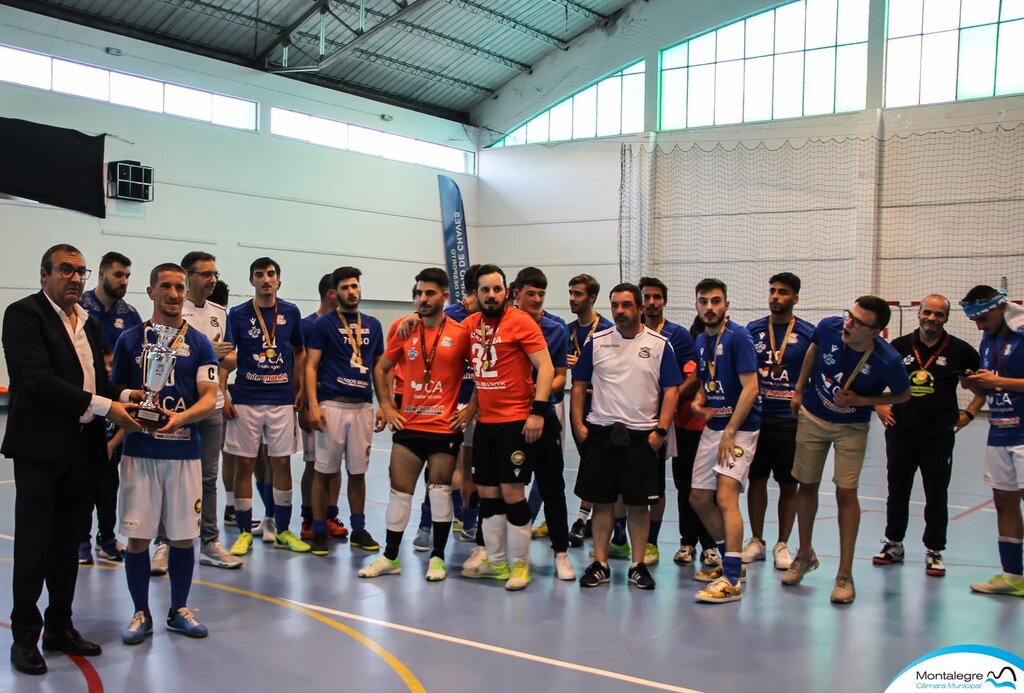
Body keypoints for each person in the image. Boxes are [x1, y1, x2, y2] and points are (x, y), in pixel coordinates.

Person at [3, 244, 140, 675]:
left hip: (81, 448)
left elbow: (96, 378)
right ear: (44, 274)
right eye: (66, 270)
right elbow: (39, 380)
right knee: (33, 545)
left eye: (81, 271)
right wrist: (106, 406)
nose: (76, 278)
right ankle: (25, 637)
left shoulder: (88, 322)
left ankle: (60, 626)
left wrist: (124, 396)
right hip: (40, 449)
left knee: (67, 544)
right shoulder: (23, 315)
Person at [112, 262, 219, 643]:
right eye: (166, 287)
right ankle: (141, 612)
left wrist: (180, 418)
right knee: (138, 539)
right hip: (139, 451)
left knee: (183, 537)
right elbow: (116, 392)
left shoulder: (201, 342)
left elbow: (210, 398)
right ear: (151, 291)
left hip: (184, 454)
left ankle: (178, 610)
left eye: (179, 288)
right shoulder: (131, 340)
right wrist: (133, 400)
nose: (174, 294)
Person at [783, 296, 911, 604]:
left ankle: (844, 574)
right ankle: (804, 554)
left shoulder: (887, 360)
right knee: (806, 485)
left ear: (876, 331)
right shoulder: (829, 328)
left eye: (857, 322)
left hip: (851, 427)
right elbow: (814, 348)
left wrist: (864, 402)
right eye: (848, 315)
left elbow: (903, 395)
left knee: (845, 493)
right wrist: (799, 390)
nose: (848, 323)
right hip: (813, 417)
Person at [359, 267, 470, 580]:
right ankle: (391, 557)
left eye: (430, 293)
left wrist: (469, 409)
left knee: (439, 493)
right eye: (418, 293)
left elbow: (482, 371)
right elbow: (380, 368)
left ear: (444, 296)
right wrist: (386, 405)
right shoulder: (404, 329)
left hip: (444, 429)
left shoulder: (460, 333)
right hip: (409, 426)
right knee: (399, 492)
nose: (423, 298)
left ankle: (437, 557)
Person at [573, 283, 681, 590]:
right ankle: (600, 563)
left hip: (642, 437)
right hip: (602, 433)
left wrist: (660, 429)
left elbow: (671, 389)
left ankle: (638, 565)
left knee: (638, 505)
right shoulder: (598, 342)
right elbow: (579, 385)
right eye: (615, 305)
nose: (620, 311)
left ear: (640, 308)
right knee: (603, 503)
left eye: (627, 305)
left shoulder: (660, 345)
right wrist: (579, 424)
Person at [459, 264, 554, 591]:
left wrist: (538, 412)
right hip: (486, 424)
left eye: (496, 289)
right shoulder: (471, 325)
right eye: (484, 290)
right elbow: (437, 331)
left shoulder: (521, 322)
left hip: (516, 422)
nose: (490, 295)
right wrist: (412, 319)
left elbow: (545, 367)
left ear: (506, 292)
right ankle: (497, 564)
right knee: (487, 493)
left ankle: (521, 567)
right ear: (477, 294)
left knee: (513, 493)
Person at [874, 295, 983, 577]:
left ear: (946, 318)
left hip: (938, 434)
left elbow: (983, 385)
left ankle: (934, 550)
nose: (932, 319)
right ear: (918, 314)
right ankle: (893, 543)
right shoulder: (896, 347)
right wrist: (880, 405)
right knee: (897, 490)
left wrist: (969, 413)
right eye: (928, 313)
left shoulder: (961, 351)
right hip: (901, 432)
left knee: (936, 493)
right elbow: (873, 380)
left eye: (939, 315)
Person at [224, 257, 308, 555]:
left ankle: (284, 530)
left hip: (281, 400)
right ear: (252, 281)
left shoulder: (291, 311)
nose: (266, 279)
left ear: (279, 280)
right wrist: (222, 393)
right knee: (245, 462)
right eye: (259, 275)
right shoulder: (237, 314)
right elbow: (226, 356)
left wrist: (299, 390)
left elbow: (300, 354)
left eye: (271, 274)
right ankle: (245, 531)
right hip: (246, 398)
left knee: (281, 462)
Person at [689, 278, 761, 604]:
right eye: (703, 301)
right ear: (697, 306)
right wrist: (700, 400)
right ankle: (728, 561)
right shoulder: (702, 340)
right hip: (715, 425)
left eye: (715, 301)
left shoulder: (739, 337)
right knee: (698, 497)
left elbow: (751, 388)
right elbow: (710, 379)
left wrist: (731, 430)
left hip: (740, 428)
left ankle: (732, 580)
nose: (709, 307)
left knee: (725, 497)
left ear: (726, 305)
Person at [305, 266, 384, 553]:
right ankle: (318, 528)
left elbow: (378, 368)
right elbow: (311, 366)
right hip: (332, 406)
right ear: (335, 292)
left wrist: (385, 405)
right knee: (323, 471)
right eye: (345, 287)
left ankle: (359, 529)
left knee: (358, 472)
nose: (352, 292)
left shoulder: (373, 325)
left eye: (355, 286)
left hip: (362, 406)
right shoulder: (323, 325)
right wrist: (313, 405)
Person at [174, 251, 242, 570]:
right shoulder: (175, 309)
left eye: (214, 274)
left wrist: (214, 356)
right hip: (181, 407)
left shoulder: (219, 312)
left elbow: (230, 359)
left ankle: (209, 541)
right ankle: (165, 541)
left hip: (212, 406)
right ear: (188, 276)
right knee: (174, 473)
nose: (212, 279)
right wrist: (207, 351)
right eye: (205, 274)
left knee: (209, 476)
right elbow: (170, 357)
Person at [742, 273, 815, 570]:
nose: (775, 297)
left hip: (790, 421)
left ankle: (782, 543)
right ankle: (756, 539)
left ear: (795, 298)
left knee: (788, 483)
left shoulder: (809, 333)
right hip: (758, 418)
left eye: (783, 292)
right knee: (756, 480)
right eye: (772, 291)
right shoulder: (753, 330)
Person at [959, 286, 1024, 596]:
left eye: (983, 318)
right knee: (1004, 502)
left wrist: (998, 380)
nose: (979, 326)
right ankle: (1012, 575)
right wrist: (975, 384)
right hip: (999, 430)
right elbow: (991, 387)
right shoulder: (988, 338)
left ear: (1001, 308)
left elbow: (1003, 381)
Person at [78, 250, 142, 563]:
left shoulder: (130, 315)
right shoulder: (80, 307)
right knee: (81, 480)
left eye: (127, 276)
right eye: (118, 274)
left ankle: (107, 538)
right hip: (82, 404)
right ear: (102, 272)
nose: (123, 281)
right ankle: (80, 539)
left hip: (117, 405)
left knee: (108, 481)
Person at [514, 267, 575, 580]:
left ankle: (561, 553)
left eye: (541, 294)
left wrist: (540, 390)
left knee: (553, 487)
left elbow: (561, 373)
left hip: (544, 416)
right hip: (509, 420)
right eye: (531, 294)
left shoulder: (556, 329)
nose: (536, 299)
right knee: (505, 488)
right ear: (516, 295)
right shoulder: (500, 326)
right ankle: (496, 551)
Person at [638, 276, 696, 565]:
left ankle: (652, 542)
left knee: (657, 483)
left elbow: (692, 377)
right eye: (646, 297)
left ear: (664, 301)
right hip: (630, 417)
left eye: (656, 297)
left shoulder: (679, 335)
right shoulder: (625, 332)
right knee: (626, 483)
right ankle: (623, 539)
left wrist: (669, 403)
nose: (651, 302)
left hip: (661, 421)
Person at [298, 274, 348, 542]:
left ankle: (330, 514)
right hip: (315, 404)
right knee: (313, 464)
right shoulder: (307, 325)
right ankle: (309, 516)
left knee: (335, 464)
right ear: (332, 293)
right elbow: (304, 367)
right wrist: (306, 404)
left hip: (338, 405)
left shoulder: (345, 325)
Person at [566, 273, 613, 548]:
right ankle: (587, 518)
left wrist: (586, 365)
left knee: (597, 465)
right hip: (579, 405)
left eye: (578, 294)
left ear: (592, 297)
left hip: (604, 406)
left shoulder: (608, 330)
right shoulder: (567, 330)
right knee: (589, 463)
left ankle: (584, 519)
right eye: (570, 293)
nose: (572, 298)